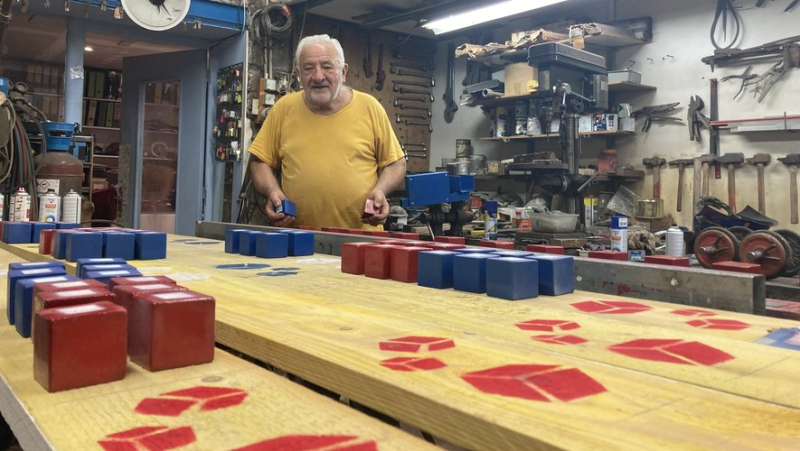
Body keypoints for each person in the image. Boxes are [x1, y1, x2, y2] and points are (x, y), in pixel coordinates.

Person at [247, 34, 406, 230]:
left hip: (361, 242)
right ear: (298, 73)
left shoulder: (370, 108)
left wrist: (381, 190)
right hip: (297, 240)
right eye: (308, 68)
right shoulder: (283, 108)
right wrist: (272, 191)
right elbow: (259, 162)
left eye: (327, 66)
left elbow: (395, 163)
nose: (318, 76)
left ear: (344, 71)